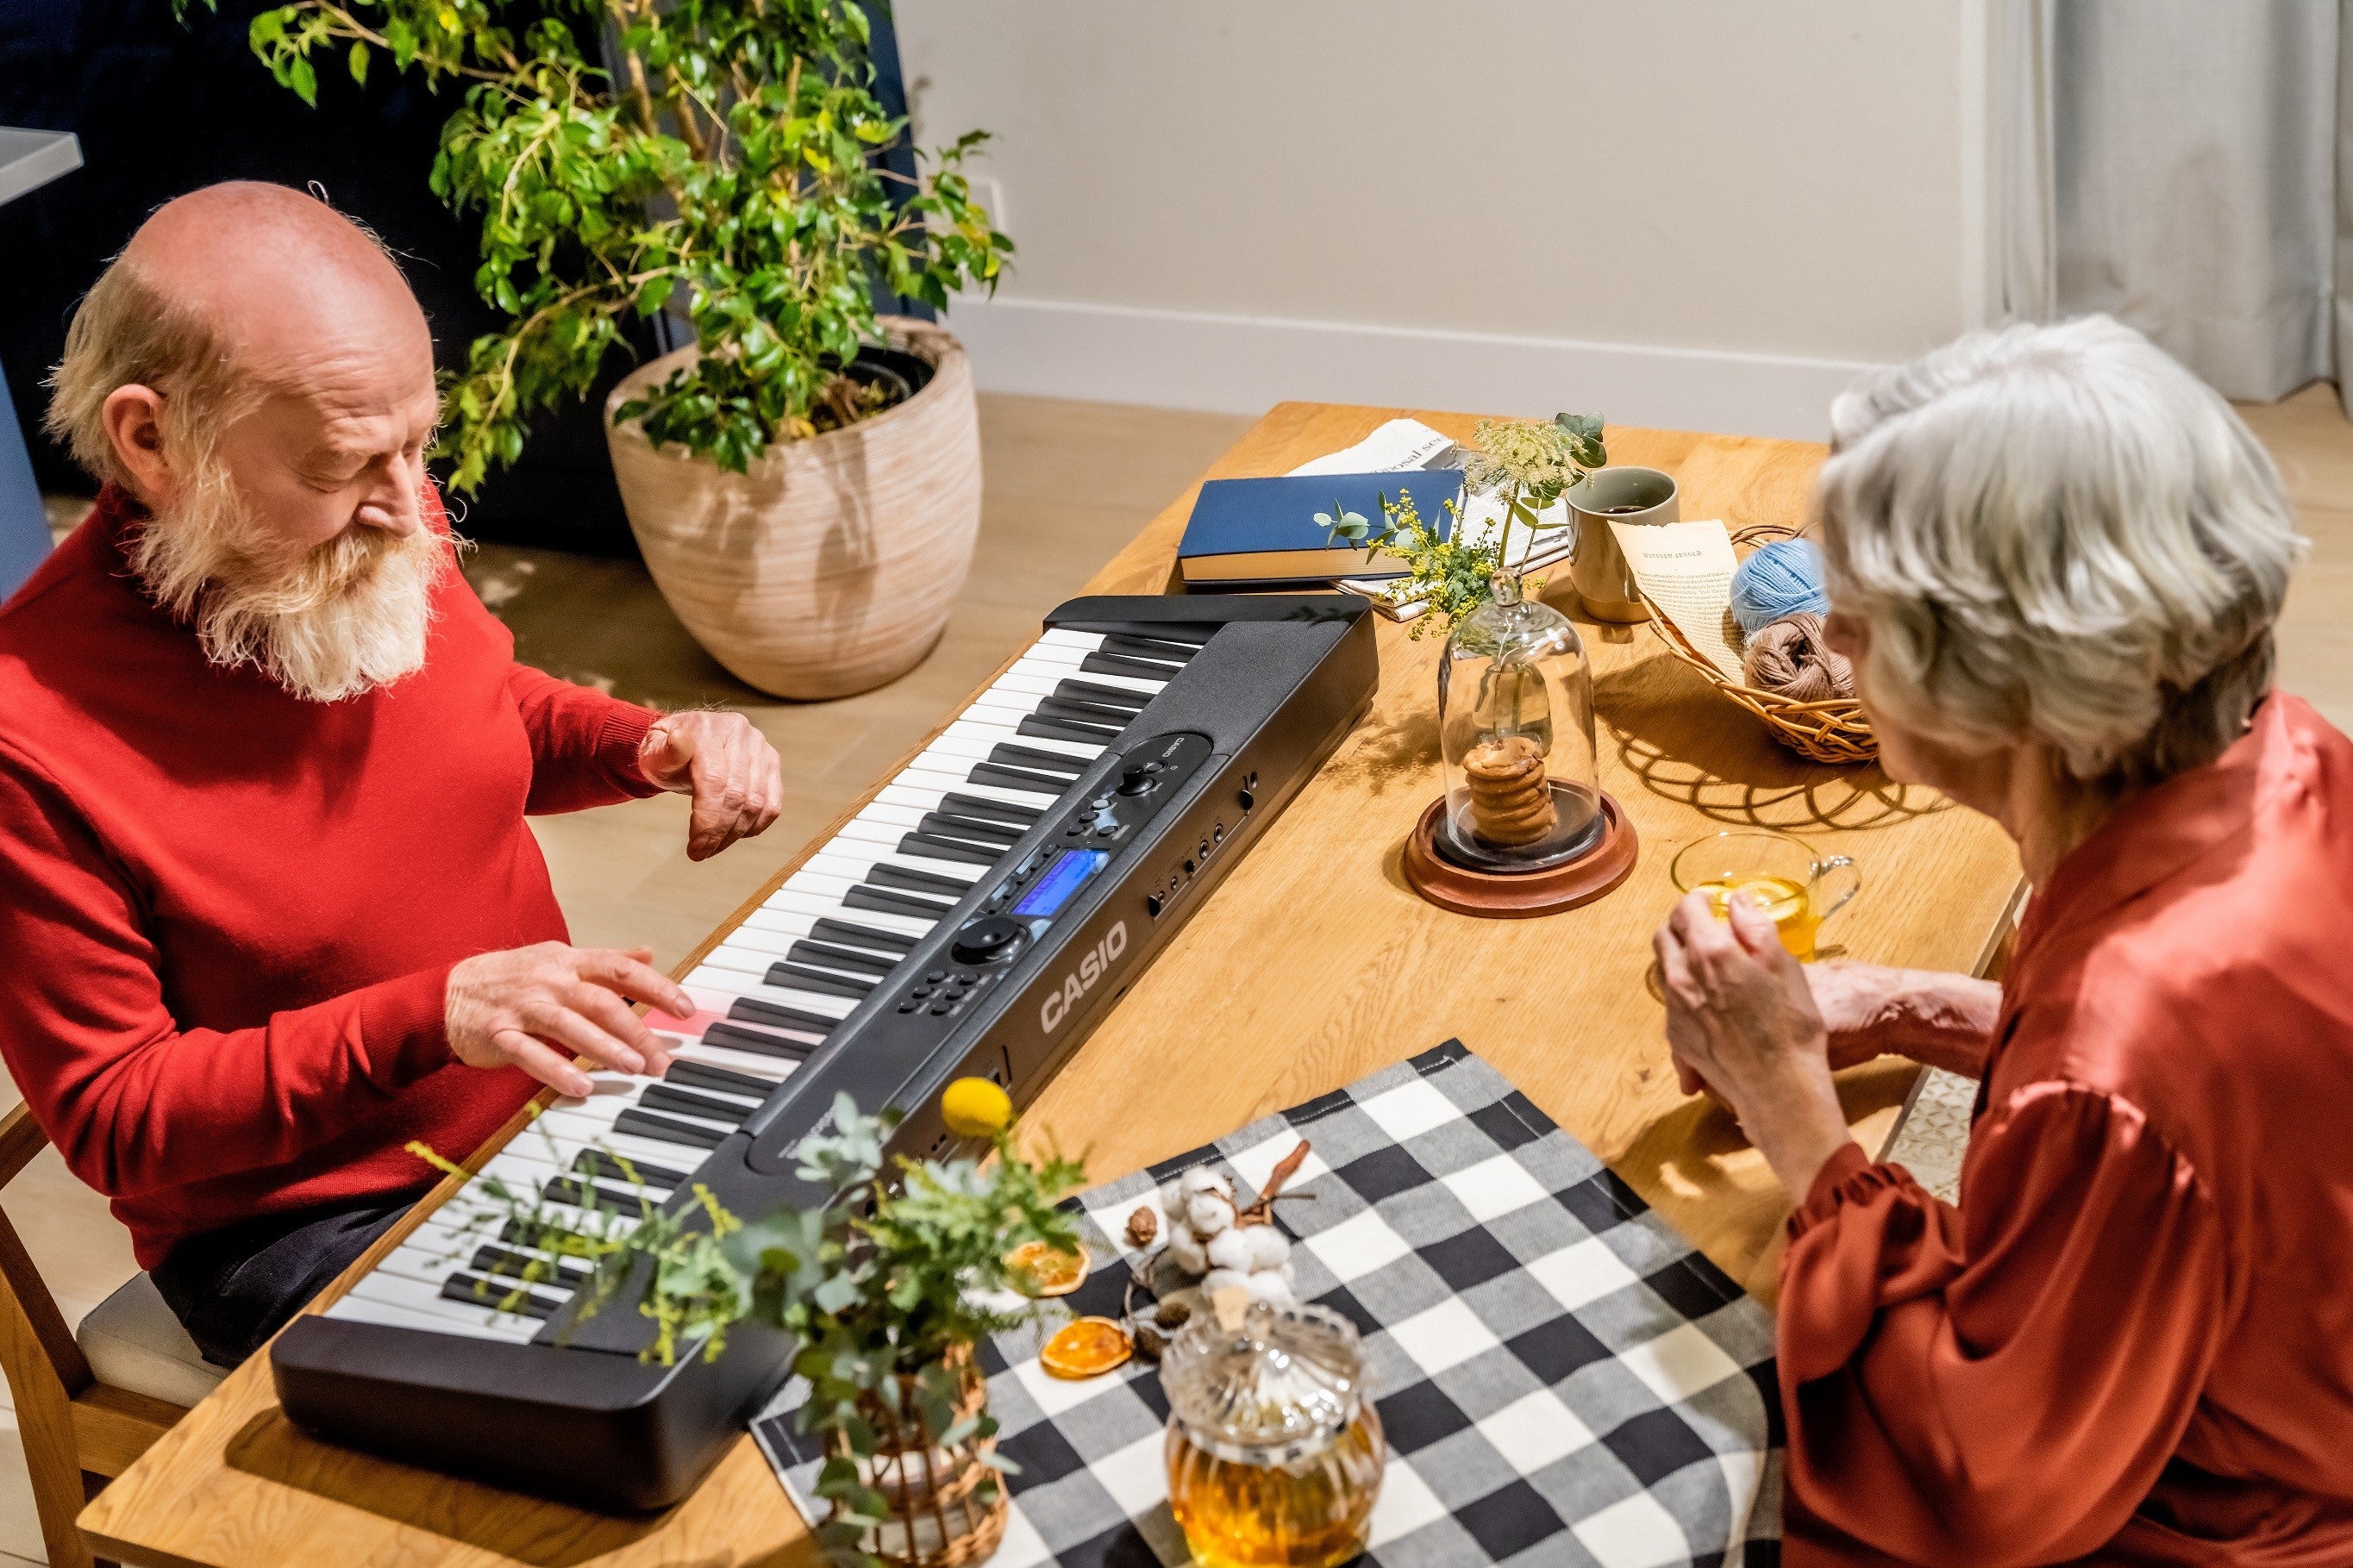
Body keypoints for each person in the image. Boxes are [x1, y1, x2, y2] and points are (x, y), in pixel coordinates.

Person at [0, 182, 786, 1366]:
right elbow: (117, 1114)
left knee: (854, 1210)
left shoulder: (372, 509)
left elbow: (481, 707)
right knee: (684, 1380)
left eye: (418, 442)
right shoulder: (28, 734)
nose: (406, 503)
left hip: (543, 1096)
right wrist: (436, 1015)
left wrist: (640, 745)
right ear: (151, 440)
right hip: (309, 1221)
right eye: (342, 463)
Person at [1653, 316, 2353, 1564]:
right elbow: (2219, 1122)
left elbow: (1978, 1482)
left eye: (1855, 616)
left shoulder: (2117, 1046)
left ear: (1998, 682)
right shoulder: (2294, 754)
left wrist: (1792, 1112)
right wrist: (1909, 1005)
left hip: (2231, 1515)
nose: (1835, 644)